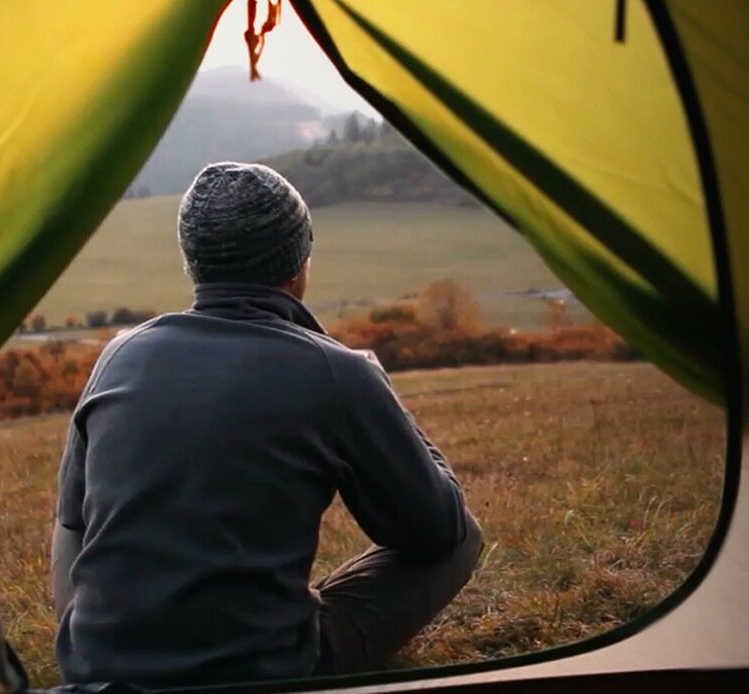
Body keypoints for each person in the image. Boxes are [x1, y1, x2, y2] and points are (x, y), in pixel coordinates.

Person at [51, 162, 483, 688]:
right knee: (464, 538)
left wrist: (87, 649)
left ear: (195, 265)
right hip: (264, 674)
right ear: (299, 263)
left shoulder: (120, 354)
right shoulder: (336, 372)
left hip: (96, 669)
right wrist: (373, 385)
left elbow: (70, 526)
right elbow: (437, 530)